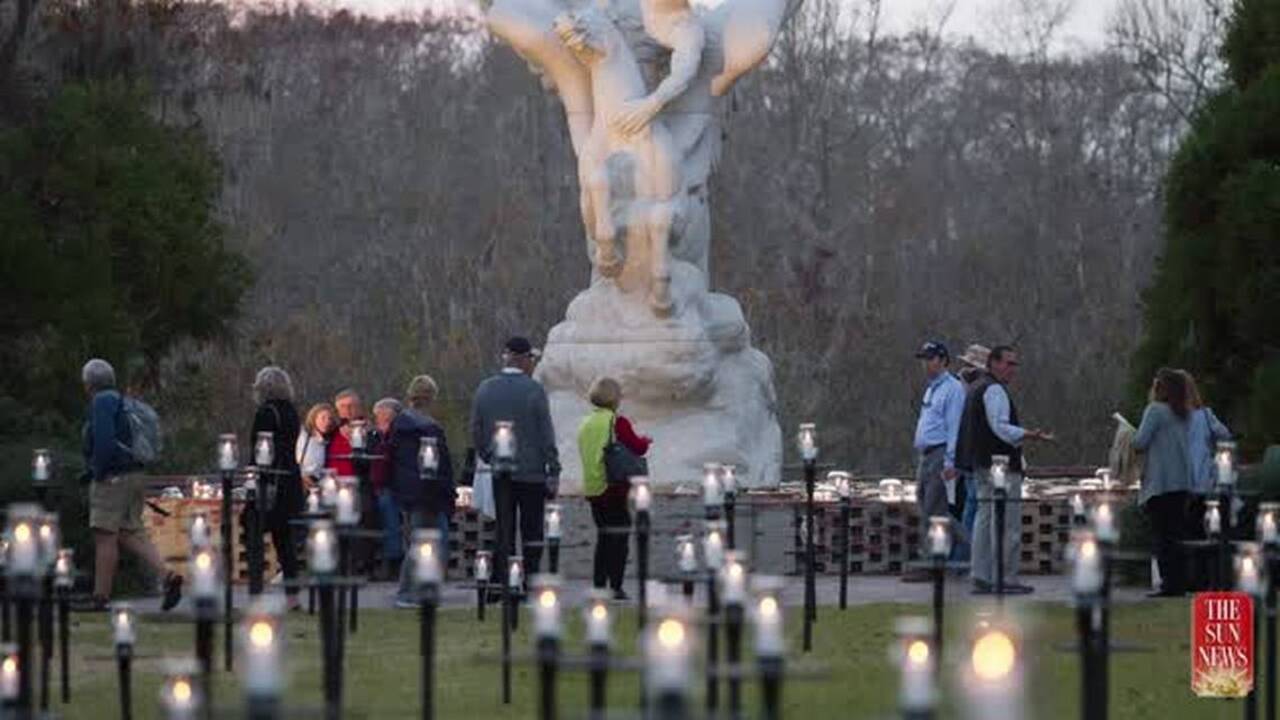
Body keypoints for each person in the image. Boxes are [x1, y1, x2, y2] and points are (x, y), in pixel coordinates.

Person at [79, 358, 182, 611]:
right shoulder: (123, 402)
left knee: (105, 535)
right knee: (130, 531)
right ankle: (169, 576)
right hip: (136, 474)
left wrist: (97, 471)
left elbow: (104, 441)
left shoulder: (102, 402)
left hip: (113, 477)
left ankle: (100, 597)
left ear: (88, 384)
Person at [956, 346, 1053, 595]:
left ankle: (981, 575)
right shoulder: (994, 389)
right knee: (1007, 525)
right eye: (1009, 363)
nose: (1013, 369)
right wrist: (1029, 435)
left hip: (980, 464)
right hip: (1000, 467)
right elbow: (1000, 427)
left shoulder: (976, 389)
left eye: (1015, 364)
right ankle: (1005, 577)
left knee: (984, 520)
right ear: (993, 363)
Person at [470, 336, 561, 591]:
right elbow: (546, 433)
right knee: (532, 530)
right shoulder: (534, 390)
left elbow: (476, 429)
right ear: (524, 359)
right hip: (531, 472)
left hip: (500, 472)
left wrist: (489, 455)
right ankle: (531, 581)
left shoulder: (485, 388)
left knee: (504, 529)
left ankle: (503, 580)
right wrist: (553, 467)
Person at [577, 377, 650, 600]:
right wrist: (646, 441)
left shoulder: (586, 423)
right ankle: (615, 586)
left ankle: (599, 584)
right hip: (613, 487)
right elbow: (636, 447)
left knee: (603, 536)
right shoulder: (616, 422)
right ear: (613, 398)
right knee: (619, 535)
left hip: (593, 487)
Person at [903, 341, 966, 582]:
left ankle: (930, 563)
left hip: (940, 454)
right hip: (926, 454)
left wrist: (951, 461)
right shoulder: (932, 389)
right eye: (923, 359)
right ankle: (972, 547)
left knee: (933, 509)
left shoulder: (952, 389)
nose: (925, 364)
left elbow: (954, 428)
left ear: (942, 360)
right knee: (929, 507)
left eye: (930, 359)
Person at [1133, 368, 1195, 597]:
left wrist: (1126, 434)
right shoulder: (1184, 413)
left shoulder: (1155, 411)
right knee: (1177, 535)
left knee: (1162, 536)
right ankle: (1179, 582)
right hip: (1181, 482)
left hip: (1160, 483)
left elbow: (1140, 441)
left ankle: (1168, 584)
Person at [394, 375, 455, 608]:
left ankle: (417, 589)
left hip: (409, 492)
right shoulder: (430, 429)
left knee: (417, 541)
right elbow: (442, 464)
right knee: (426, 543)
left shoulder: (399, 427)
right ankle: (409, 591)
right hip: (429, 492)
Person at [249, 366, 304, 610]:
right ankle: (292, 595)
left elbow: (260, 448)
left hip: (270, 480)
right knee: (284, 540)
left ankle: (256, 591)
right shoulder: (291, 412)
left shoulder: (266, 412)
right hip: (291, 478)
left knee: (251, 529)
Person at [955, 343, 990, 563]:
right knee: (972, 510)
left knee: (971, 508)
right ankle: (964, 558)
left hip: (969, 457)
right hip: (971, 457)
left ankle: (965, 558)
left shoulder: (972, 389)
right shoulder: (970, 391)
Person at [371, 398, 404, 580]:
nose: (378, 420)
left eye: (381, 417)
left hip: (393, 486)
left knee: (390, 517)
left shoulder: (395, 436)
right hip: (381, 485)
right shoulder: (378, 435)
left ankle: (393, 560)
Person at [296, 403, 336, 490]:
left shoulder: (326, 441)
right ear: (314, 418)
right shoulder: (303, 435)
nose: (327, 422)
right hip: (301, 481)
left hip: (316, 483)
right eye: (323, 418)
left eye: (330, 419)